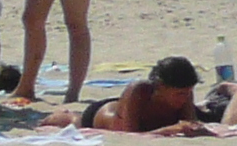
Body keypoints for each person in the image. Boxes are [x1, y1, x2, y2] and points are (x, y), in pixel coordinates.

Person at [40, 57, 206, 134]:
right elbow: (129, 134)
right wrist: (171, 129)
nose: (185, 98)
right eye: (179, 94)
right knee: (77, 122)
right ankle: (64, 115)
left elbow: (191, 122)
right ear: (161, 87)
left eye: (188, 93)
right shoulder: (139, 90)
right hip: (105, 115)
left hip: (126, 110)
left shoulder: (185, 91)